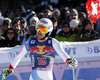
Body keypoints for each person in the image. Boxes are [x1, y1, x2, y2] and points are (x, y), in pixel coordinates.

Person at [1, 18, 78, 80]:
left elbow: (62, 53)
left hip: (47, 75)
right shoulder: (30, 42)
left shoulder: (52, 42)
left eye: (43, 29)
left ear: (48, 31)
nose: (39, 32)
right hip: (34, 75)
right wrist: (11, 69)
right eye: (38, 28)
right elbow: (18, 57)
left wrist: (69, 61)